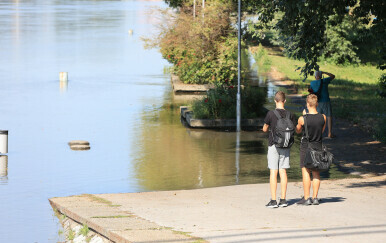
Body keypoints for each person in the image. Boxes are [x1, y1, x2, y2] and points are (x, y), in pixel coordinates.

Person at [262, 91, 297, 208]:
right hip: (286, 145)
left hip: (273, 145)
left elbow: (264, 129)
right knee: (283, 171)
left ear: (275, 100)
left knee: (273, 172)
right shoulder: (290, 114)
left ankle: (273, 201)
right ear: (285, 101)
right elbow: (297, 130)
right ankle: (283, 200)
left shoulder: (270, 114)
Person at [296, 94, 326, 205]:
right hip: (318, 146)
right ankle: (315, 198)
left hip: (306, 147)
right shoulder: (323, 117)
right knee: (316, 173)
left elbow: (298, 130)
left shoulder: (302, 119)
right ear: (316, 104)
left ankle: (307, 198)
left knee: (306, 172)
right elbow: (321, 132)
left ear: (307, 104)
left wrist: (304, 117)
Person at [310, 70, 335, 138]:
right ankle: (329, 133)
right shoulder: (324, 81)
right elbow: (333, 76)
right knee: (329, 116)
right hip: (326, 101)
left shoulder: (312, 83)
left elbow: (311, 92)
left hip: (317, 102)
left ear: (315, 76)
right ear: (321, 76)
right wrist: (325, 72)